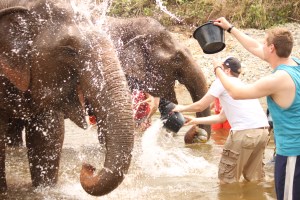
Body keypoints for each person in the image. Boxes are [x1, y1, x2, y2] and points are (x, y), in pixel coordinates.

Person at [213, 17, 300, 200]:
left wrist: (218, 71)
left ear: (271, 48)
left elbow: (236, 92)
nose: (261, 46)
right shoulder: (295, 64)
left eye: (264, 43)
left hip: (293, 153)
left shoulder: (278, 79)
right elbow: (253, 46)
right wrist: (230, 29)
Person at [173, 56, 270, 184]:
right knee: (254, 179)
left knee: (226, 180)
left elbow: (201, 105)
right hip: (263, 133)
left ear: (227, 71)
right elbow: (221, 117)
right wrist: (195, 121)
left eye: (218, 70)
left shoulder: (221, 82)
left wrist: (181, 108)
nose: (216, 74)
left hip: (244, 133)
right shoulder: (242, 85)